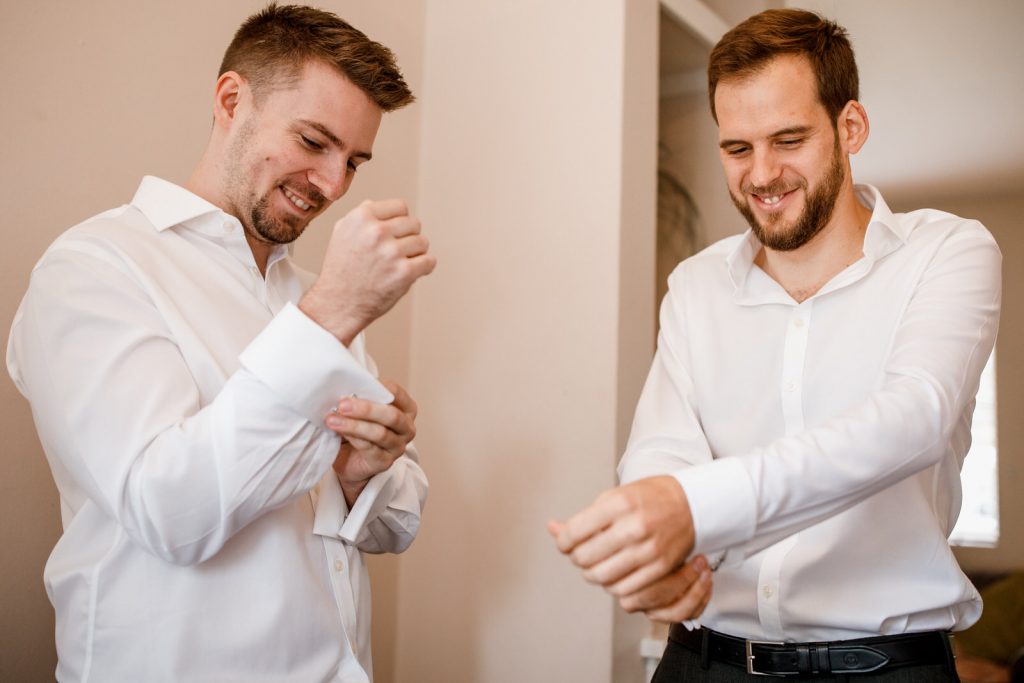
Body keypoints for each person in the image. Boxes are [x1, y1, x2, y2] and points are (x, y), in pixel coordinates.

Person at [550, 8, 1001, 682]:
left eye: (787, 139)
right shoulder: (697, 285)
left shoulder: (947, 251)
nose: (761, 175)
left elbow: (916, 416)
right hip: (702, 660)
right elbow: (662, 449)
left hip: (885, 667)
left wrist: (696, 508)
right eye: (737, 148)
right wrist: (662, 551)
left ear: (851, 127)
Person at [6, 4, 435, 681]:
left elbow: (394, 525)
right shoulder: (95, 266)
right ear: (231, 99)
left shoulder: (310, 294)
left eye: (354, 160)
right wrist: (330, 316)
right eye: (313, 141)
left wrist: (360, 476)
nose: (333, 185)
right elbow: (169, 513)